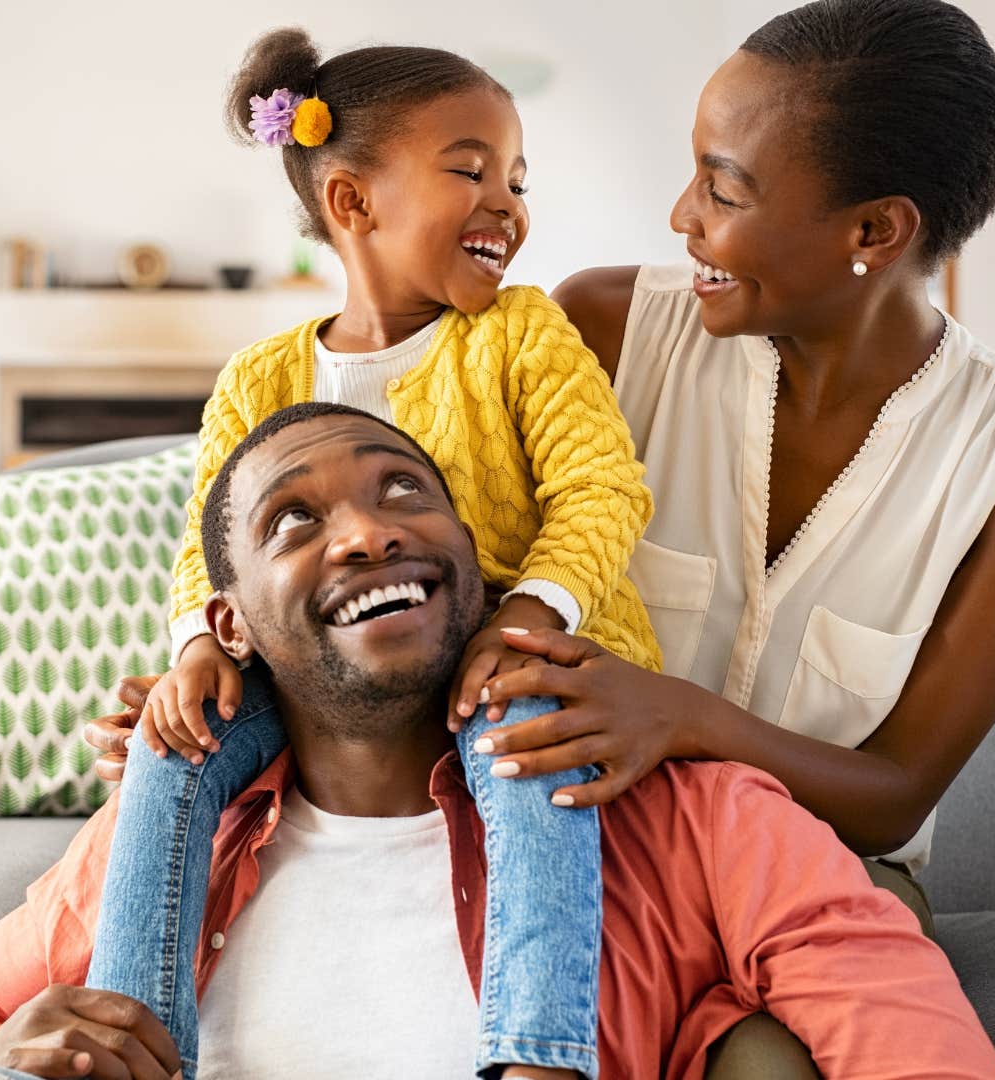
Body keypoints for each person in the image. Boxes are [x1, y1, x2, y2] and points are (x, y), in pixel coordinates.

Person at [89, 0, 995, 1066]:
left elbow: (895, 795)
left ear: (873, 232)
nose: (679, 214)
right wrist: (236, 657)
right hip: (570, 826)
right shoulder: (605, 326)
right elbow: (401, 539)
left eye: (723, 186)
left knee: (769, 1058)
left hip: (818, 863)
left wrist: (675, 716)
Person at [0, 401, 995, 1080]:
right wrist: (5, 1043)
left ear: (474, 573)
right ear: (229, 624)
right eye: (296, 523)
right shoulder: (165, 835)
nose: (368, 534)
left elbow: (916, 1045)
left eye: (400, 498)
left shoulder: (694, 814)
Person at [87, 28, 661, 1080]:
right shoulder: (261, 377)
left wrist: (528, 613)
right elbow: (206, 547)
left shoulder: (523, 335)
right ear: (352, 204)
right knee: (173, 750)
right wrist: (194, 647)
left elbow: (602, 486)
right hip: (324, 682)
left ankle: (538, 1053)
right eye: (471, 170)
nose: (509, 205)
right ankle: (136, 1042)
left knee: (527, 738)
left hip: (514, 651)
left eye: (519, 181)